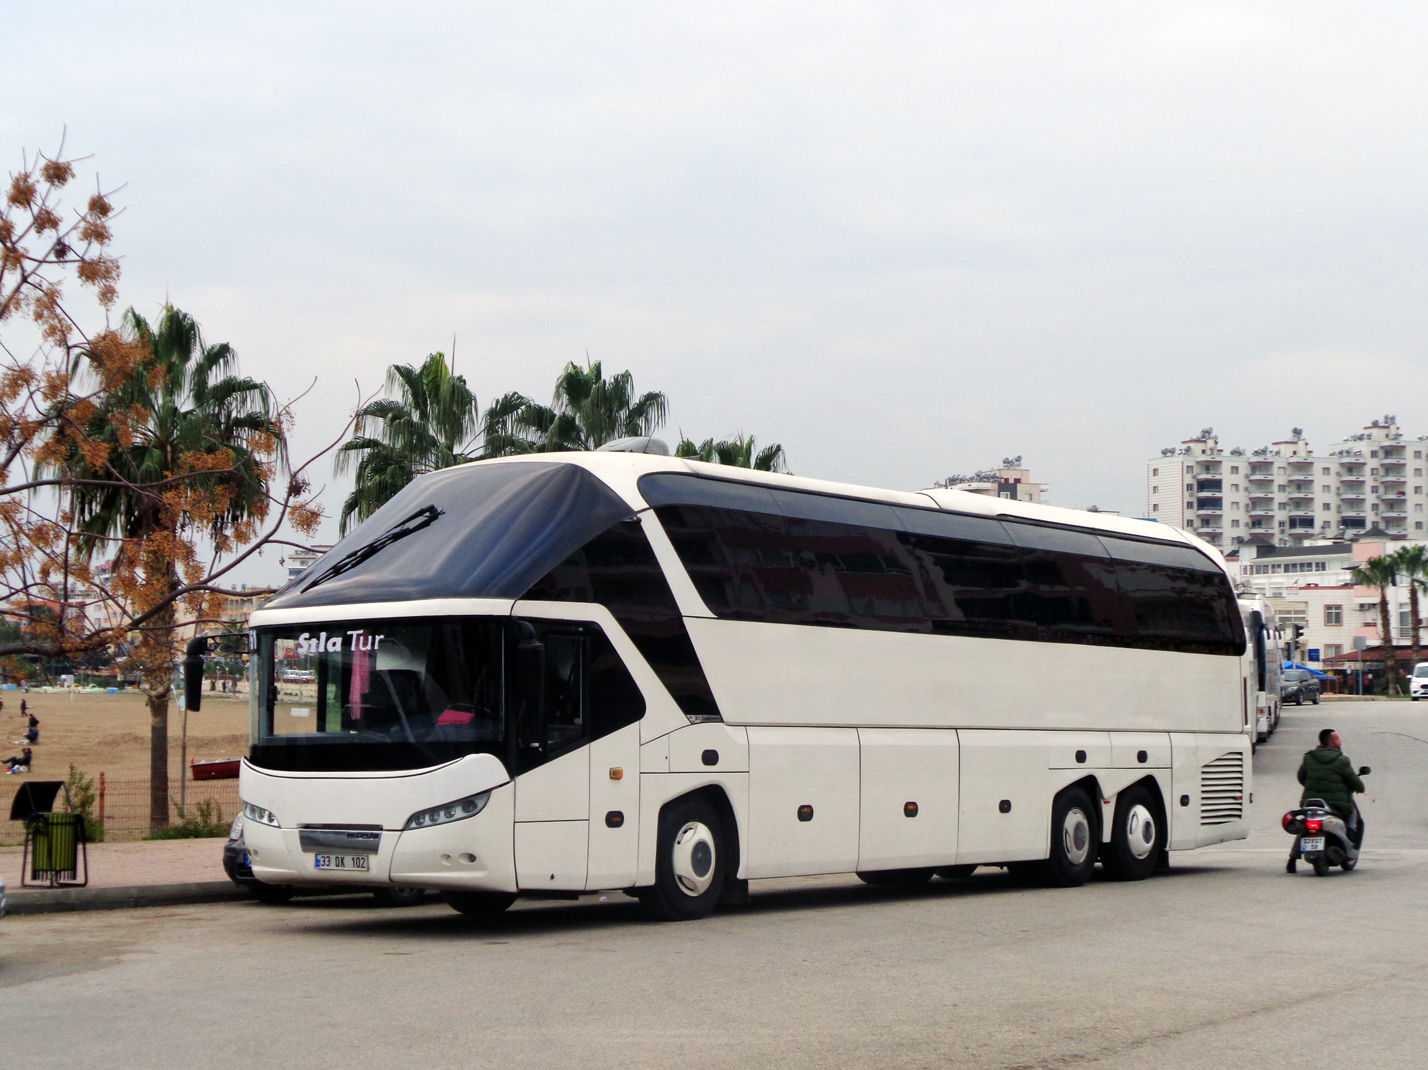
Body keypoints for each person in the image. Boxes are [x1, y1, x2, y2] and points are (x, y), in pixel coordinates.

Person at [1297, 728, 1367, 846]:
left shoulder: (1309, 758)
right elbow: (1355, 782)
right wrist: (1360, 788)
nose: (1340, 742)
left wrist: (1315, 786)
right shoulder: (1341, 760)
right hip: (1337, 805)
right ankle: (1350, 834)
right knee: (1352, 812)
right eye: (1338, 740)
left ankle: (1293, 857)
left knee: (1305, 826)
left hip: (1311, 802)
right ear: (1331, 743)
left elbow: (1301, 777)